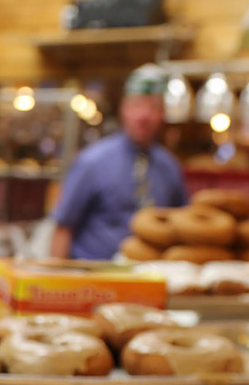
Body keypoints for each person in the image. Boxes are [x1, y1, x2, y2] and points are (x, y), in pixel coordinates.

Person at [50, 65, 188, 260]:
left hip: (150, 278)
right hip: (94, 280)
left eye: (153, 107)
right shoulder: (92, 162)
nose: (143, 116)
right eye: (136, 105)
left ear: (163, 113)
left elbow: (182, 227)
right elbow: (63, 227)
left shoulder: (170, 167)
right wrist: (58, 280)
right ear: (123, 109)